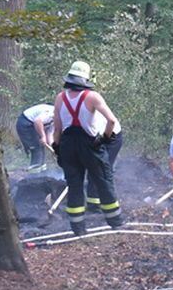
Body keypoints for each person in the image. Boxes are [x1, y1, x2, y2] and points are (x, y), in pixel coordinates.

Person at [52, 61, 123, 236]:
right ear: (86, 79)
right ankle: (115, 222)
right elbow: (112, 121)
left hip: (67, 144)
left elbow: (57, 127)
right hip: (89, 144)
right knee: (103, 181)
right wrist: (105, 139)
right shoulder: (93, 97)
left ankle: (78, 228)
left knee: (74, 185)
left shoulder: (60, 97)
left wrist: (57, 148)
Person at [87, 107, 123, 213]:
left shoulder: (91, 119)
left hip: (111, 138)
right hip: (97, 138)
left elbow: (110, 123)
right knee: (93, 169)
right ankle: (93, 203)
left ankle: (108, 203)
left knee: (101, 169)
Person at [16, 103, 54, 170]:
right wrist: (43, 136)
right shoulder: (51, 112)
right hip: (25, 123)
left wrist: (53, 148)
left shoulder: (57, 120)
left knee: (41, 146)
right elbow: (37, 121)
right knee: (36, 147)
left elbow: (50, 134)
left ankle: (42, 172)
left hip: (33, 125)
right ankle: (34, 174)